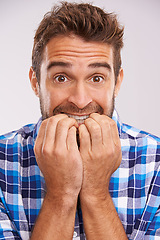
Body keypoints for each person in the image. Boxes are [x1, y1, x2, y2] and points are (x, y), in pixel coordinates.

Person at [0, 2, 160, 239]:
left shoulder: (156, 163)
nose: (80, 100)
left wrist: (96, 193)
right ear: (35, 82)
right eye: (62, 77)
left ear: (117, 82)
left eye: (96, 78)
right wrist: (61, 193)